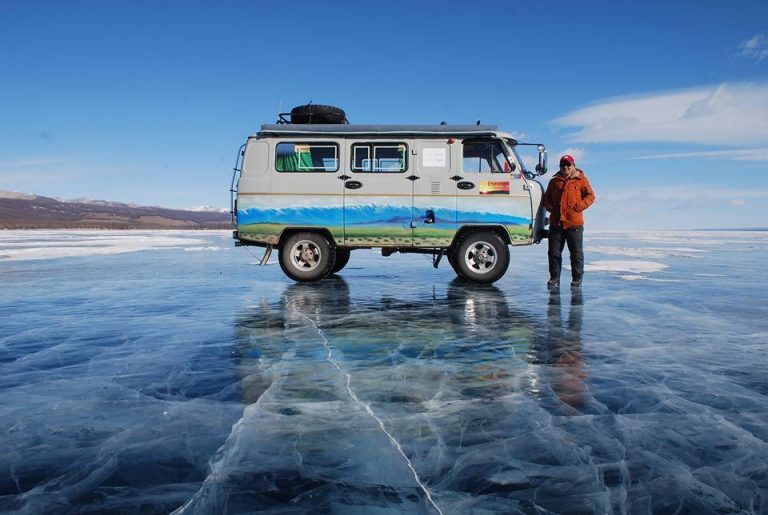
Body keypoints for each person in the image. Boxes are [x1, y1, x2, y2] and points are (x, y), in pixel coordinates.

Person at [543, 154, 595, 288]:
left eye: (568, 164)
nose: (565, 167)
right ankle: (554, 278)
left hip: (574, 224)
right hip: (556, 223)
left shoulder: (581, 180)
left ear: (573, 166)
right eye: (562, 165)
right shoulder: (554, 181)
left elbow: (590, 196)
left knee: (576, 253)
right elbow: (546, 198)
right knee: (554, 253)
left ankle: (577, 279)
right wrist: (551, 208)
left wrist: (579, 206)